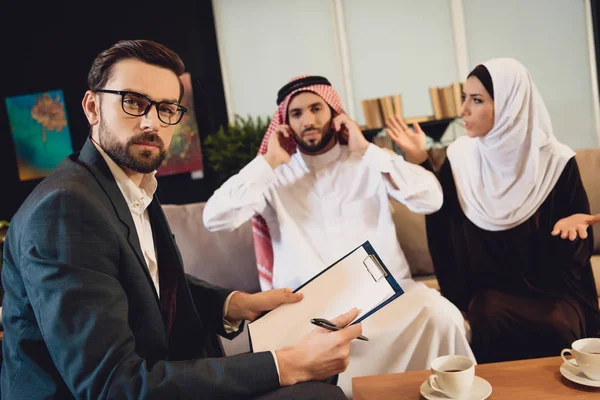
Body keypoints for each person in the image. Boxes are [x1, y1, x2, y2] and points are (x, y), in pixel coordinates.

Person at [1, 40, 361, 400]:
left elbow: (145, 275)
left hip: (163, 365)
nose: (151, 122)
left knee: (321, 378)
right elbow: (112, 386)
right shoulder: (65, 210)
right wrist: (286, 365)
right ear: (93, 107)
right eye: (133, 102)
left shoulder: (132, 182)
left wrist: (232, 303)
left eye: (166, 109)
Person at [203, 75, 474, 396]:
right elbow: (214, 219)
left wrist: (367, 149)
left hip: (389, 301)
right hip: (310, 313)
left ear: (334, 112)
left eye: (316, 108)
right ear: (285, 124)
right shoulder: (275, 175)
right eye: (297, 114)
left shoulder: (367, 161)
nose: (308, 120)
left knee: (444, 315)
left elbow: (432, 199)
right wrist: (270, 161)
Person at [387, 58, 600, 363]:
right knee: (487, 310)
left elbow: (573, 260)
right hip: (491, 297)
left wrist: (572, 233)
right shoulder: (460, 157)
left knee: (558, 324)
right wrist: (421, 160)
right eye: (464, 98)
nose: (463, 111)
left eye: (477, 100)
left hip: (551, 294)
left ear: (511, 106)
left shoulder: (556, 162)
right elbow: (442, 219)